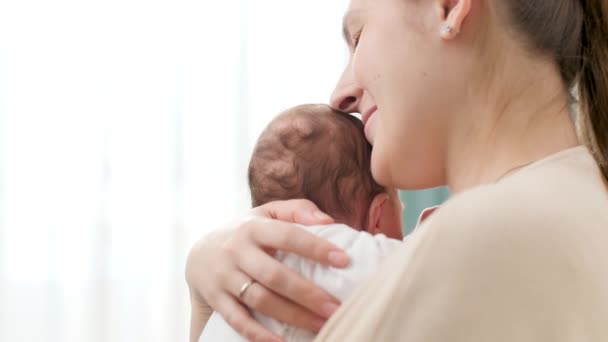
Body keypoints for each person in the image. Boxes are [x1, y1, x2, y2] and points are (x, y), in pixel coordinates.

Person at [186, 0, 608, 341]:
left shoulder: (487, 238)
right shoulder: (572, 206)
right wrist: (207, 291)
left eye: (358, 34)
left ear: (449, 7)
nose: (340, 95)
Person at [199, 104, 404, 341]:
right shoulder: (340, 255)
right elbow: (419, 272)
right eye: (399, 204)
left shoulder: (242, 265)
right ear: (377, 216)